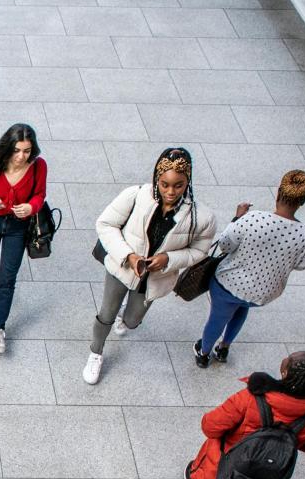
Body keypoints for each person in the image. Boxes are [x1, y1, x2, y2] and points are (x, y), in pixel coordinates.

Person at [83, 147, 216, 385]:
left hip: (156, 278)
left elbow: (199, 250)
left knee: (132, 321)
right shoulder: (136, 195)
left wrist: (169, 260)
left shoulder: (201, 217)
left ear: (188, 182)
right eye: (164, 184)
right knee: (106, 314)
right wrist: (129, 256)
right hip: (122, 268)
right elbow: (105, 224)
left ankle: (125, 315)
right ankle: (96, 352)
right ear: (156, 178)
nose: (170, 191)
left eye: (179, 185)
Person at [194, 170, 305, 367]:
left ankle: (204, 352)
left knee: (218, 317)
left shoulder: (253, 218)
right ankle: (224, 348)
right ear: (302, 202)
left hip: (229, 284)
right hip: (263, 293)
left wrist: (237, 218)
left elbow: (225, 245)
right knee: (241, 308)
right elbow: (302, 264)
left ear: (278, 193)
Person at [0, 124, 47, 354]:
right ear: (8, 148)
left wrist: (31, 207)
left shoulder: (38, 166)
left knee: (8, 277)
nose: (22, 156)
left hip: (17, 226)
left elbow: (40, 195)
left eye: (26, 150)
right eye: (17, 150)